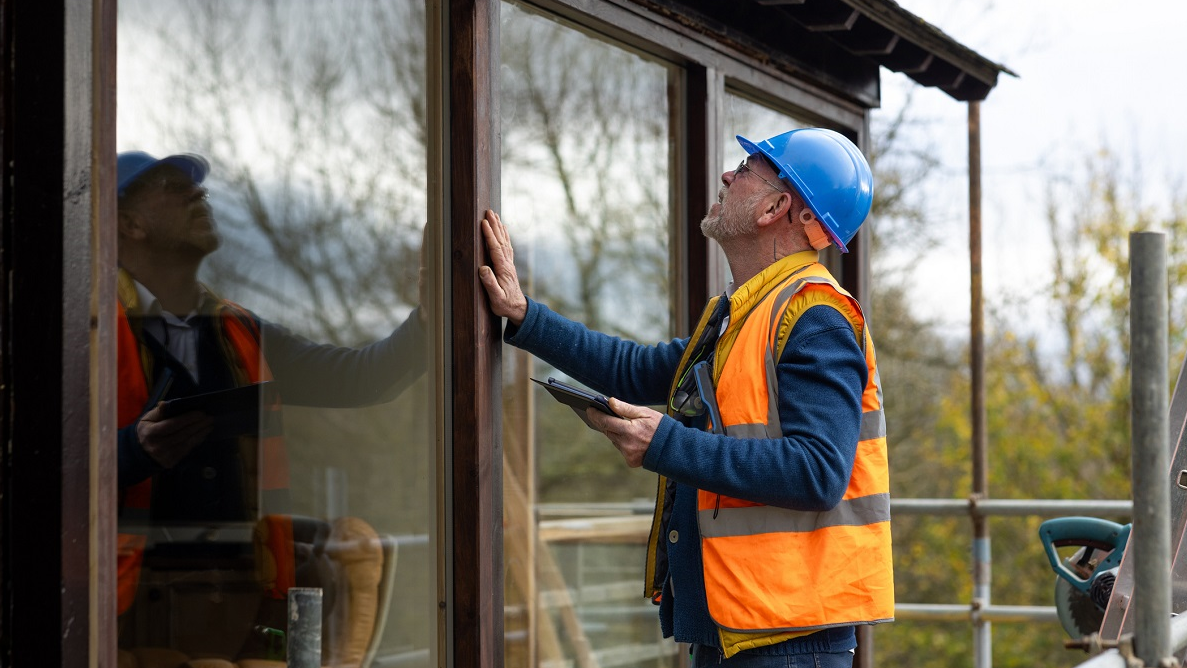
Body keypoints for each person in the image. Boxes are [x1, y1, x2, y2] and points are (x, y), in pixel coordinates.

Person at [479, 128, 892, 667]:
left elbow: (818, 473)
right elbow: (631, 369)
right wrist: (523, 315)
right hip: (745, 628)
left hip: (786, 643)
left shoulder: (815, 320)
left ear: (777, 206)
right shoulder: (741, 317)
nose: (728, 175)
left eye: (746, 169)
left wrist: (665, 441)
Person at [114, 150, 427, 659]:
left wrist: (431, 320)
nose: (198, 193)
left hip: (241, 608)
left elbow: (361, 380)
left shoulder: (240, 326)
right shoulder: (87, 329)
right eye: (172, 187)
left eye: (197, 188)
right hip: (130, 613)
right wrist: (133, 450)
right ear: (129, 223)